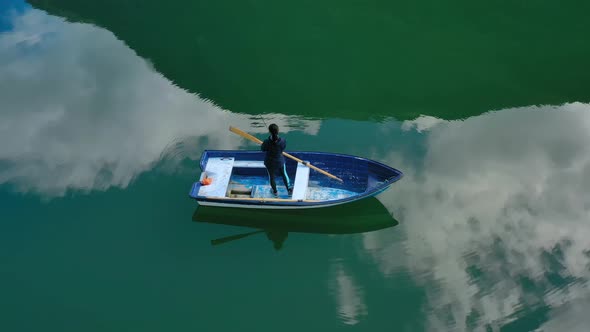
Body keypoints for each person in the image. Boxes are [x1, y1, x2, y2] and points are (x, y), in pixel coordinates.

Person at [261, 123, 292, 197]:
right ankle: (289, 190)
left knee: (271, 177)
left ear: (269, 131)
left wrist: (264, 144)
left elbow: (263, 149)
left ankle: (275, 192)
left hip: (270, 162)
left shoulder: (266, 142)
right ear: (278, 131)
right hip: (280, 161)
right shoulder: (283, 141)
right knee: (284, 174)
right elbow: (283, 148)